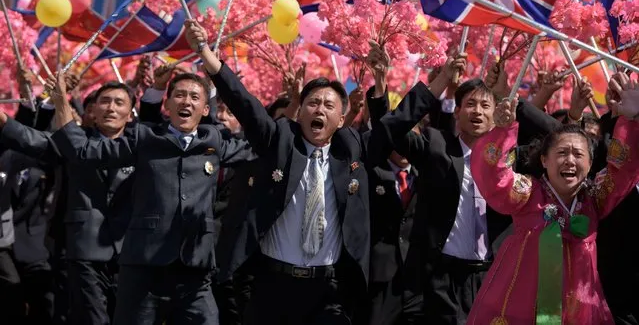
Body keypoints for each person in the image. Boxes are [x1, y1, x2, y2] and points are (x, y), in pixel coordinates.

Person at [186, 19, 372, 324]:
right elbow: (244, 104)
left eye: (328, 105)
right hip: (273, 287)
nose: (319, 110)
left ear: (341, 119)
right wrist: (207, 54)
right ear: (300, 112)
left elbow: (393, 129)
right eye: (312, 103)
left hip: (328, 290)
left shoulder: (349, 153)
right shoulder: (279, 142)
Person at [368, 44, 559, 324]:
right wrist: (441, 80)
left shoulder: (513, 157)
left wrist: (509, 96)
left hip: (493, 278)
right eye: (469, 104)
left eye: (485, 105)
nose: (477, 111)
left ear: (497, 111)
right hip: (438, 281)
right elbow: (389, 129)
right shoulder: (436, 145)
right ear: (456, 112)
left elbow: (558, 138)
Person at [47, 71, 255, 325]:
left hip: (195, 272)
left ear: (204, 109)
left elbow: (266, 144)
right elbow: (84, 151)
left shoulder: (215, 142)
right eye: (179, 95)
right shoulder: (145, 138)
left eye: (194, 97)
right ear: (166, 105)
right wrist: (60, 102)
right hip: (144, 271)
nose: (186, 102)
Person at [467, 73, 639, 324]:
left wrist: (631, 119)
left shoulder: (594, 199)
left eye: (578, 154)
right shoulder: (527, 193)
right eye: (562, 153)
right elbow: (495, 176)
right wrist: (503, 131)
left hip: (579, 311)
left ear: (590, 164)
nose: (570, 160)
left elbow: (623, 171)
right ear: (545, 160)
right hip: (521, 307)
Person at [0, 81, 139, 325]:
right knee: (94, 318)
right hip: (84, 250)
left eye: (119, 103)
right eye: (104, 101)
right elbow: (33, 139)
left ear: (129, 115)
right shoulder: (73, 142)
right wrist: (3, 120)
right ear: (92, 111)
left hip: (130, 252)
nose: (111, 108)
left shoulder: (140, 145)